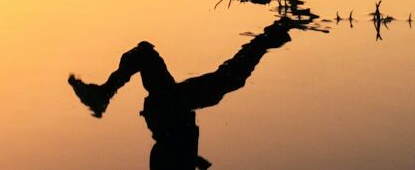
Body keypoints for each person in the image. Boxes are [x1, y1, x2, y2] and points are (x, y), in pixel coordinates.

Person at [67, 16, 300, 169]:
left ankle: (104, 94)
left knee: (148, 54)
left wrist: (193, 159)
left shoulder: (170, 150)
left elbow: (170, 155)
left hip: (170, 113)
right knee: (227, 79)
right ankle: (270, 37)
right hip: (171, 113)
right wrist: (195, 160)